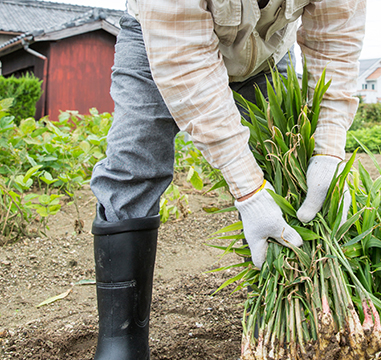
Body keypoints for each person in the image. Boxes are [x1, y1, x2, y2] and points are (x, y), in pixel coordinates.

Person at [89, 0, 365, 358]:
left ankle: (292, 319)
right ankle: (119, 341)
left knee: (284, 168)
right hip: (163, 41)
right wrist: (248, 190)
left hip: (265, 53)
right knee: (135, 162)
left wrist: (329, 150)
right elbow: (186, 67)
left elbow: (336, 41)